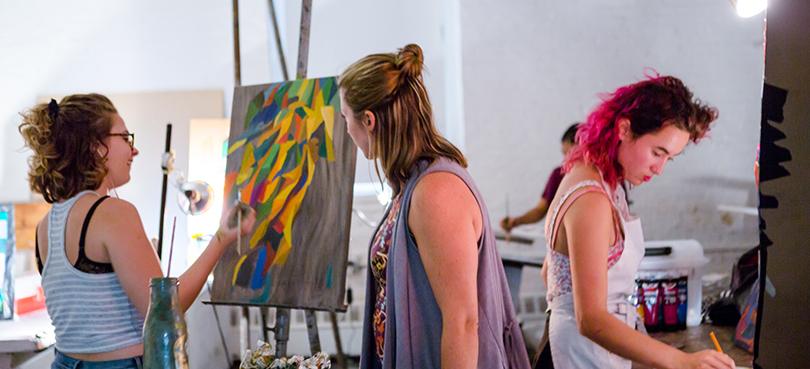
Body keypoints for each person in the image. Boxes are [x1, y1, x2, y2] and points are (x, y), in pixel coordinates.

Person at [18, 94, 256, 368]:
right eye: (125, 138)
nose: (134, 150)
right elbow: (165, 309)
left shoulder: (45, 226)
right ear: (96, 147)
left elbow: (93, 303)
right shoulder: (114, 213)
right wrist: (221, 239)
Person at [339, 44, 531, 369]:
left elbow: (464, 322)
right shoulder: (414, 183)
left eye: (346, 118)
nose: (346, 129)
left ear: (369, 121)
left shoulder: (436, 191)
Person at [538, 75, 736, 369]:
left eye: (669, 158)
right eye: (657, 153)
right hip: (576, 353)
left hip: (592, 348)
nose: (659, 169)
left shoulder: (603, 179)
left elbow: (549, 272)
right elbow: (591, 319)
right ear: (624, 129)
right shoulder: (591, 198)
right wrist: (682, 361)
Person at [501, 123, 579, 232]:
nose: (566, 159)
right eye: (564, 154)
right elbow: (540, 210)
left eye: (570, 153)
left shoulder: (597, 178)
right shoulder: (559, 175)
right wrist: (516, 221)